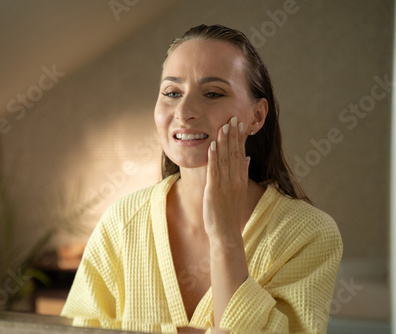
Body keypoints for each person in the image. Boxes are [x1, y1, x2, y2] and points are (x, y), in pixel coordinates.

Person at [61, 24, 342, 334]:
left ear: (257, 117)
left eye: (212, 93)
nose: (184, 111)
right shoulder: (122, 221)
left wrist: (225, 238)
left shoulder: (310, 234)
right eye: (171, 93)